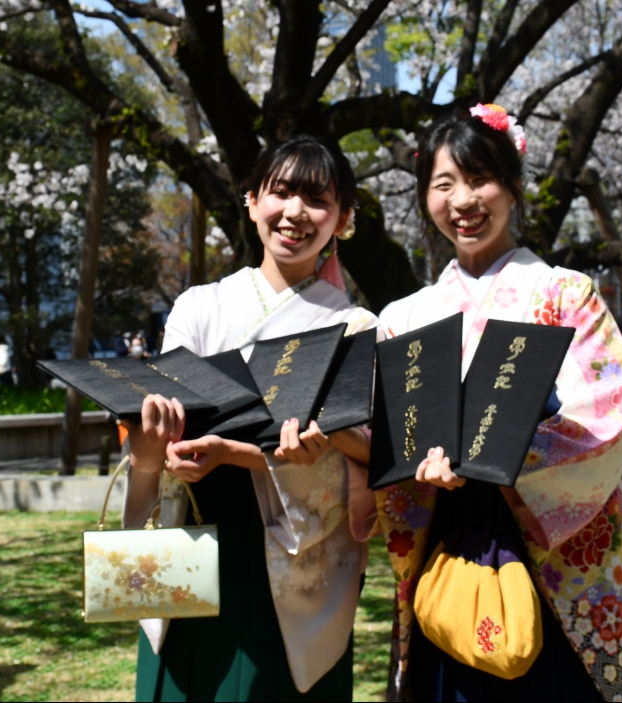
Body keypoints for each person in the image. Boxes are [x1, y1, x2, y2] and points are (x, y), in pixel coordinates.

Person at [375, 107, 622, 701]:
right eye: (443, 185)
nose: (464, 200)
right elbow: (391, 437)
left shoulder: (565, 293)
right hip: (451, 536)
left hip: (560, 540)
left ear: (513, 184)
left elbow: (605, 415)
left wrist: (491, 456)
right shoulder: (404, 318)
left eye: (480, 178)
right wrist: (413, 465)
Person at [123, 135, 378, 701]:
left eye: (316, 199)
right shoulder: (199, 306)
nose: (294, 213)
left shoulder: (358, 326)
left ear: (343, 218)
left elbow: (369, 452)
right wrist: (157, 446)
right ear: (250, 199)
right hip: (189, 528)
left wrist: (257, 454)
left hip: (290, 557)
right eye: (280, 192)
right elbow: (163, 426)